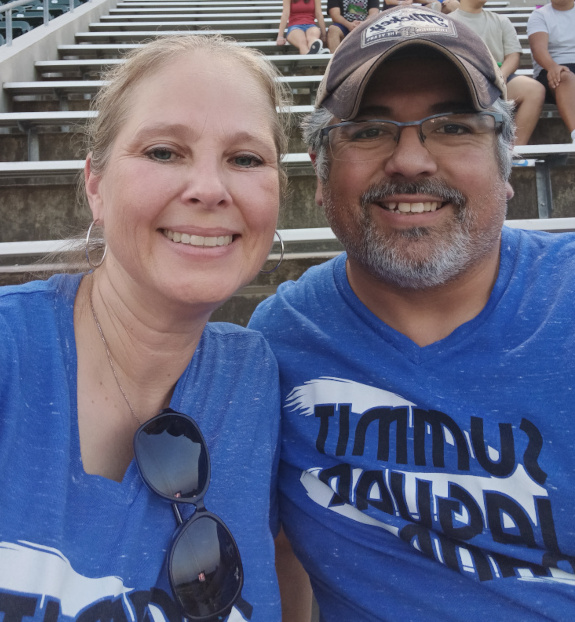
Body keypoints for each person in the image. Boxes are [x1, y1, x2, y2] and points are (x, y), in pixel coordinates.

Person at [250, 7, 575, 621]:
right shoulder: (279, 342)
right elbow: (281, 543)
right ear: (319, 173)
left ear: (506, 163)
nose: (411, 161)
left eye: (453, 127)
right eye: (369, 130)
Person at [0, 34, 290, 622]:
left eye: (246, 159)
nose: (210, 188)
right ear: (95, 185)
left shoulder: (259, 378)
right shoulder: (11, 354)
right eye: (164, 151)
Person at [452, 0, 544, 145]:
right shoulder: (449, 22)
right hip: (464, 82)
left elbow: (513, 56)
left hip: (499, 79)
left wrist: (500, 76)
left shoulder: (501, 20)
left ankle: (514, 153)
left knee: (534, 90)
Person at [527, 0, 575, 143]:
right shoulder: (540, 15)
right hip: (551, 69)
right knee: (565, 76)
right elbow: (538, 49)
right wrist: (552, 66)